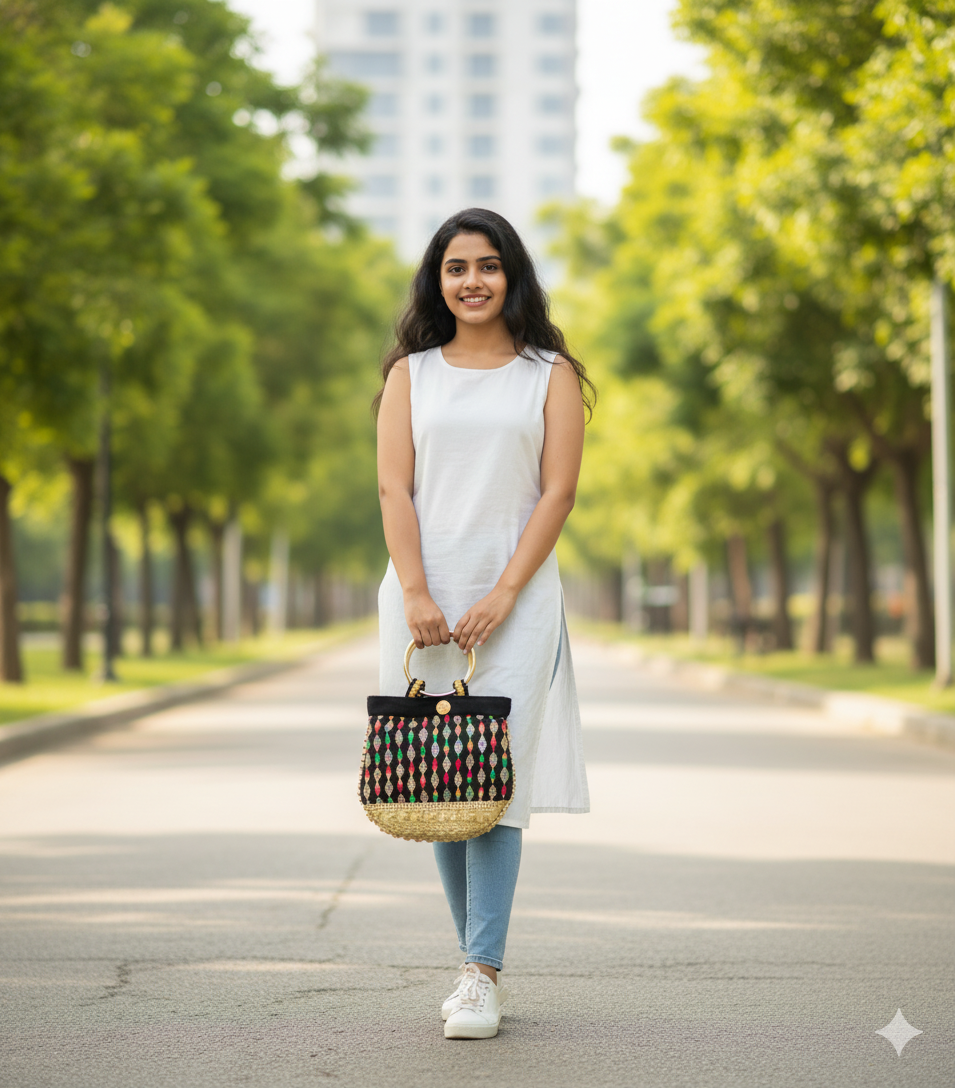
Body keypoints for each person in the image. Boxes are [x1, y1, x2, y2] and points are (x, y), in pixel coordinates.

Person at [374, 208, 592, 1040]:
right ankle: (474, 959)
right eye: (457, 266)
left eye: (489, 265)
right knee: (440, 774)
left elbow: (557, 493)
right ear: (437, 279)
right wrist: (420, 591)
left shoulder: (549, 374)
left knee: (495, 779)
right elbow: (396, 490)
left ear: (514, 278)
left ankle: (480, 972)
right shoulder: (411, 375)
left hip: (520, 601)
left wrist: (504, 592)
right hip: (421, 599)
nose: (473, 281)